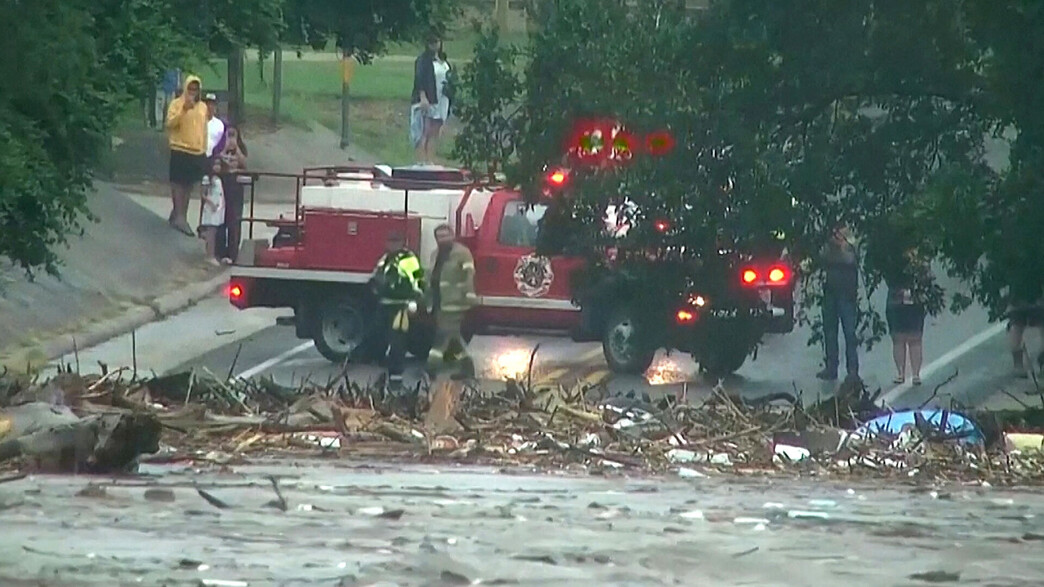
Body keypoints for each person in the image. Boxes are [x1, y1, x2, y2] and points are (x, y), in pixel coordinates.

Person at [370, 233, 426, 389]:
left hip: (400, 307)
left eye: (395, 241)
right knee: (380, 339)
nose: (392, 244)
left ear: (402, 242)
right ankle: (384, 377)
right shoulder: (385, 259)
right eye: (390, 241)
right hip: (384, 305)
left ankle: (396, 378)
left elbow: (418, 280)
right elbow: (377, 277)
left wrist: (416, 300)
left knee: (397, 342)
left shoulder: (409, 259)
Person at [425, 224, 478, 380]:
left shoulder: (462, 253)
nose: (443, 239)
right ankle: (467, 368)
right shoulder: (435, 254)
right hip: (439, 302)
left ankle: (431, 367)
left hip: (455, 302)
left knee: (442, 336)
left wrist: (469, 295)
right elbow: (431, 276)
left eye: (446, 236)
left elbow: (469, 274)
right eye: (439, 237)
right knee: (453, 338)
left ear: (453, 236)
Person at [165, 75, 209, 237]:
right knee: (178, 183)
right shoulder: (177, 104)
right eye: (190, 89)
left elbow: (204, 130)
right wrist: (184, 109)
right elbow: (170, 123)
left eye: (195, 89)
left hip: (196, 151)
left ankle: (180, 213)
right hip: (179, 148)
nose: (192, 92)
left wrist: (203, 148)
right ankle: (179, 216)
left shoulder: (203, 107)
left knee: (189, 185)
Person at [817, 222, 860, 382]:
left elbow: (850, 260)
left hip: (847, 293)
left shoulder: (852, 243)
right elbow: (822, 256)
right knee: (829, 330)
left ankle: (853, 370)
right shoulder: (829, 246)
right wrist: (831, 245)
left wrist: (841, 245)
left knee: (849, 332)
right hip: (830, 291)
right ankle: (831, 367)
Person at [886, 248, 930, 385]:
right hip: (900, 299)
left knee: (912, 338)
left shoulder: (894, 254)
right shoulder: (894, 255)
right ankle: (903, 373)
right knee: (901, 339)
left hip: (910, 298)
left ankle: (913, 374)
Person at [217, 125, 248, 263]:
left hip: (236, 186)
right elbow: (217, 160)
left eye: (233, 135)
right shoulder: (220, 147)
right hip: (222, 184)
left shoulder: (241, 149)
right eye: (228, 135)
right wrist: (225, 148)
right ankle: (220, 251)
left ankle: (233, 252)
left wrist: (237, 149)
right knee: (221, 218)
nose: (230, 138)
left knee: (235, 219)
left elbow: (244, 164)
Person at [410, 34, 440, 164]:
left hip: (433, 100)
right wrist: (423, 97)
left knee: (430, 132)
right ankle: (420, 160)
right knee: (422, 131)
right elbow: (419, 79)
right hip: (423, 100)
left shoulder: (435, 60)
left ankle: (428, 160)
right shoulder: (423, 60)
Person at [199, 159, 227, 267]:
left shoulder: (218, 178)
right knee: (211, 232)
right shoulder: (207, 178)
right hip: (211, 208)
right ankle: (209, 255)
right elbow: (203, 194)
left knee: (214, 231)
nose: (217, 167)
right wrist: (211, 203)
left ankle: (212, 254)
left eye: (219, 165)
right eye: (215, 164)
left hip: (218, 207)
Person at [204, 93, 226, 159]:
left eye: (212, 105)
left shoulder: (219, 125)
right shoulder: (197, 121)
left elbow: (221, 143)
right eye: (207, 104)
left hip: (213, 157)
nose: (210, 107)